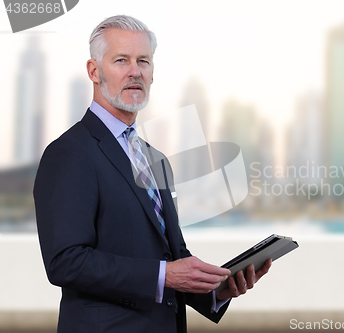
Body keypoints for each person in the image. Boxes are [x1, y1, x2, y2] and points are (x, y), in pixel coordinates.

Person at [33, 15, 271, 333]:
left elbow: (172, 257)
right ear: (94, 71)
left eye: (143, 61)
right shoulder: (70, 153)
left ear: (153, 72)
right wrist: (164, 275)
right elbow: (66, 262)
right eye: (121, 60)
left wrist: (216, 290)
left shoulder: (155, 159)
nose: (135, 71)